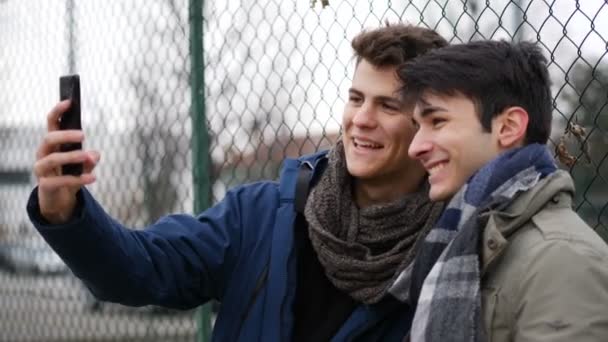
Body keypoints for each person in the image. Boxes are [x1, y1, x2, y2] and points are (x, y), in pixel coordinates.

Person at [27, 24, 447, 341]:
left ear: (428, 123)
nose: (361, 119)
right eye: (355, 98)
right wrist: (66, 213)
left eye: (387, 105)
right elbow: (140, 269)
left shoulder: (455, 245)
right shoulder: (261, 216)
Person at [390, 40, 608, 341]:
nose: (415, 148)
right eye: (418, 126)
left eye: (437, 121)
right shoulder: (457, 237)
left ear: (508, 127)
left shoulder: (562, 260)